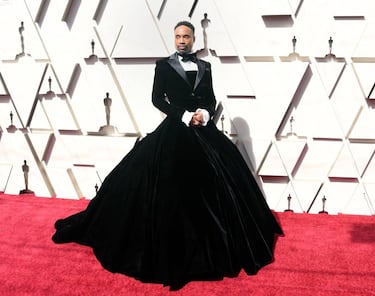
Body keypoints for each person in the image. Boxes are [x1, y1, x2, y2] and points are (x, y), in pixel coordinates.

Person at [52, 20, 283, 290]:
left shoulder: (205, 67)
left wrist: (205, 114)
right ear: (174, 39)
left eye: (186, 36)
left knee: (222, 183)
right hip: (175, 128)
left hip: (204, 129)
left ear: (194, 39)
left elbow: (210, 98)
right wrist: (184, 115)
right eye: (178, 36)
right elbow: (157, 99)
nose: (182, 40)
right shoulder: (163, 66)